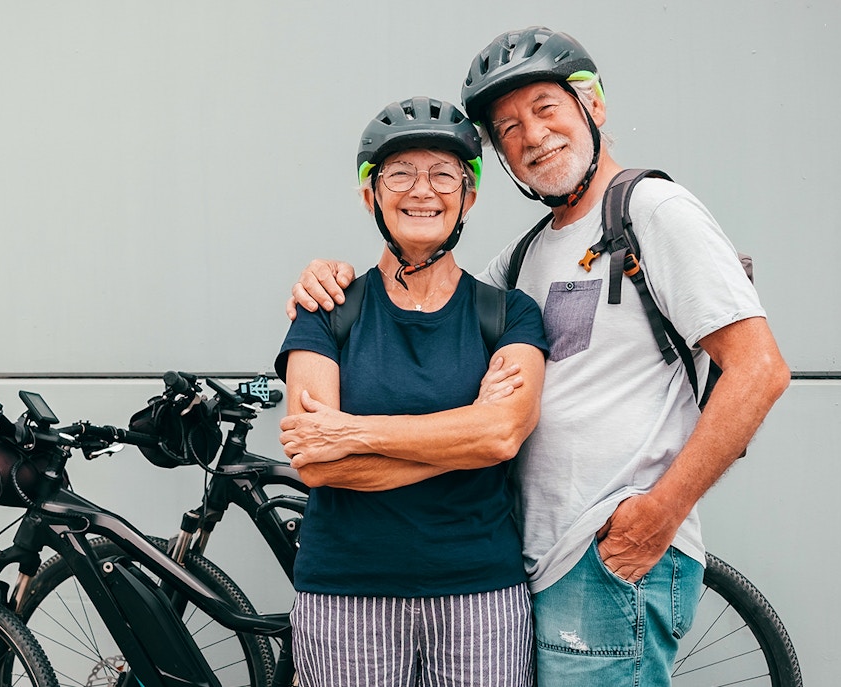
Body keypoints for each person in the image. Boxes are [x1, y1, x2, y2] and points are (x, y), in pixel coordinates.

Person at [287, 28, 791, 687]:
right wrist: (326, 278)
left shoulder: (650, 210)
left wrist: (659, 514)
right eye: (508, 128)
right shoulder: (525, 259)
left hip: (611, 549)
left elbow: (759, 369)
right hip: (543, 558)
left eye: (546, 108)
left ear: (594, 107)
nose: (531, 136)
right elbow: (424, 284)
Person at [275, 95, 548, 687]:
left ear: (468, 197)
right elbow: (315, 464)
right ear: (370, 195)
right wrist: (461, 435)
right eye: (399, 172)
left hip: (480, 593)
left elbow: (501, 434)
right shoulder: (327, 310)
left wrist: (351, 432)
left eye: (443, 173)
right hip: (346, 595)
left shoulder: (508, 314)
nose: (422, 189)